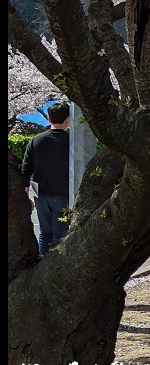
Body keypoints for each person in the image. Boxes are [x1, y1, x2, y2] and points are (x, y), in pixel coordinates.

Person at [20, 100, 72, 256]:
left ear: (48, 119)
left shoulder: (36, 141)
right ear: (68, 118)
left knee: (45, 234)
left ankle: (42, 265)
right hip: (63, 195)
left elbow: (25, 171)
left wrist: (26, 197)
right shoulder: (73, 141)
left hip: (41, 195)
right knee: (61, 237)